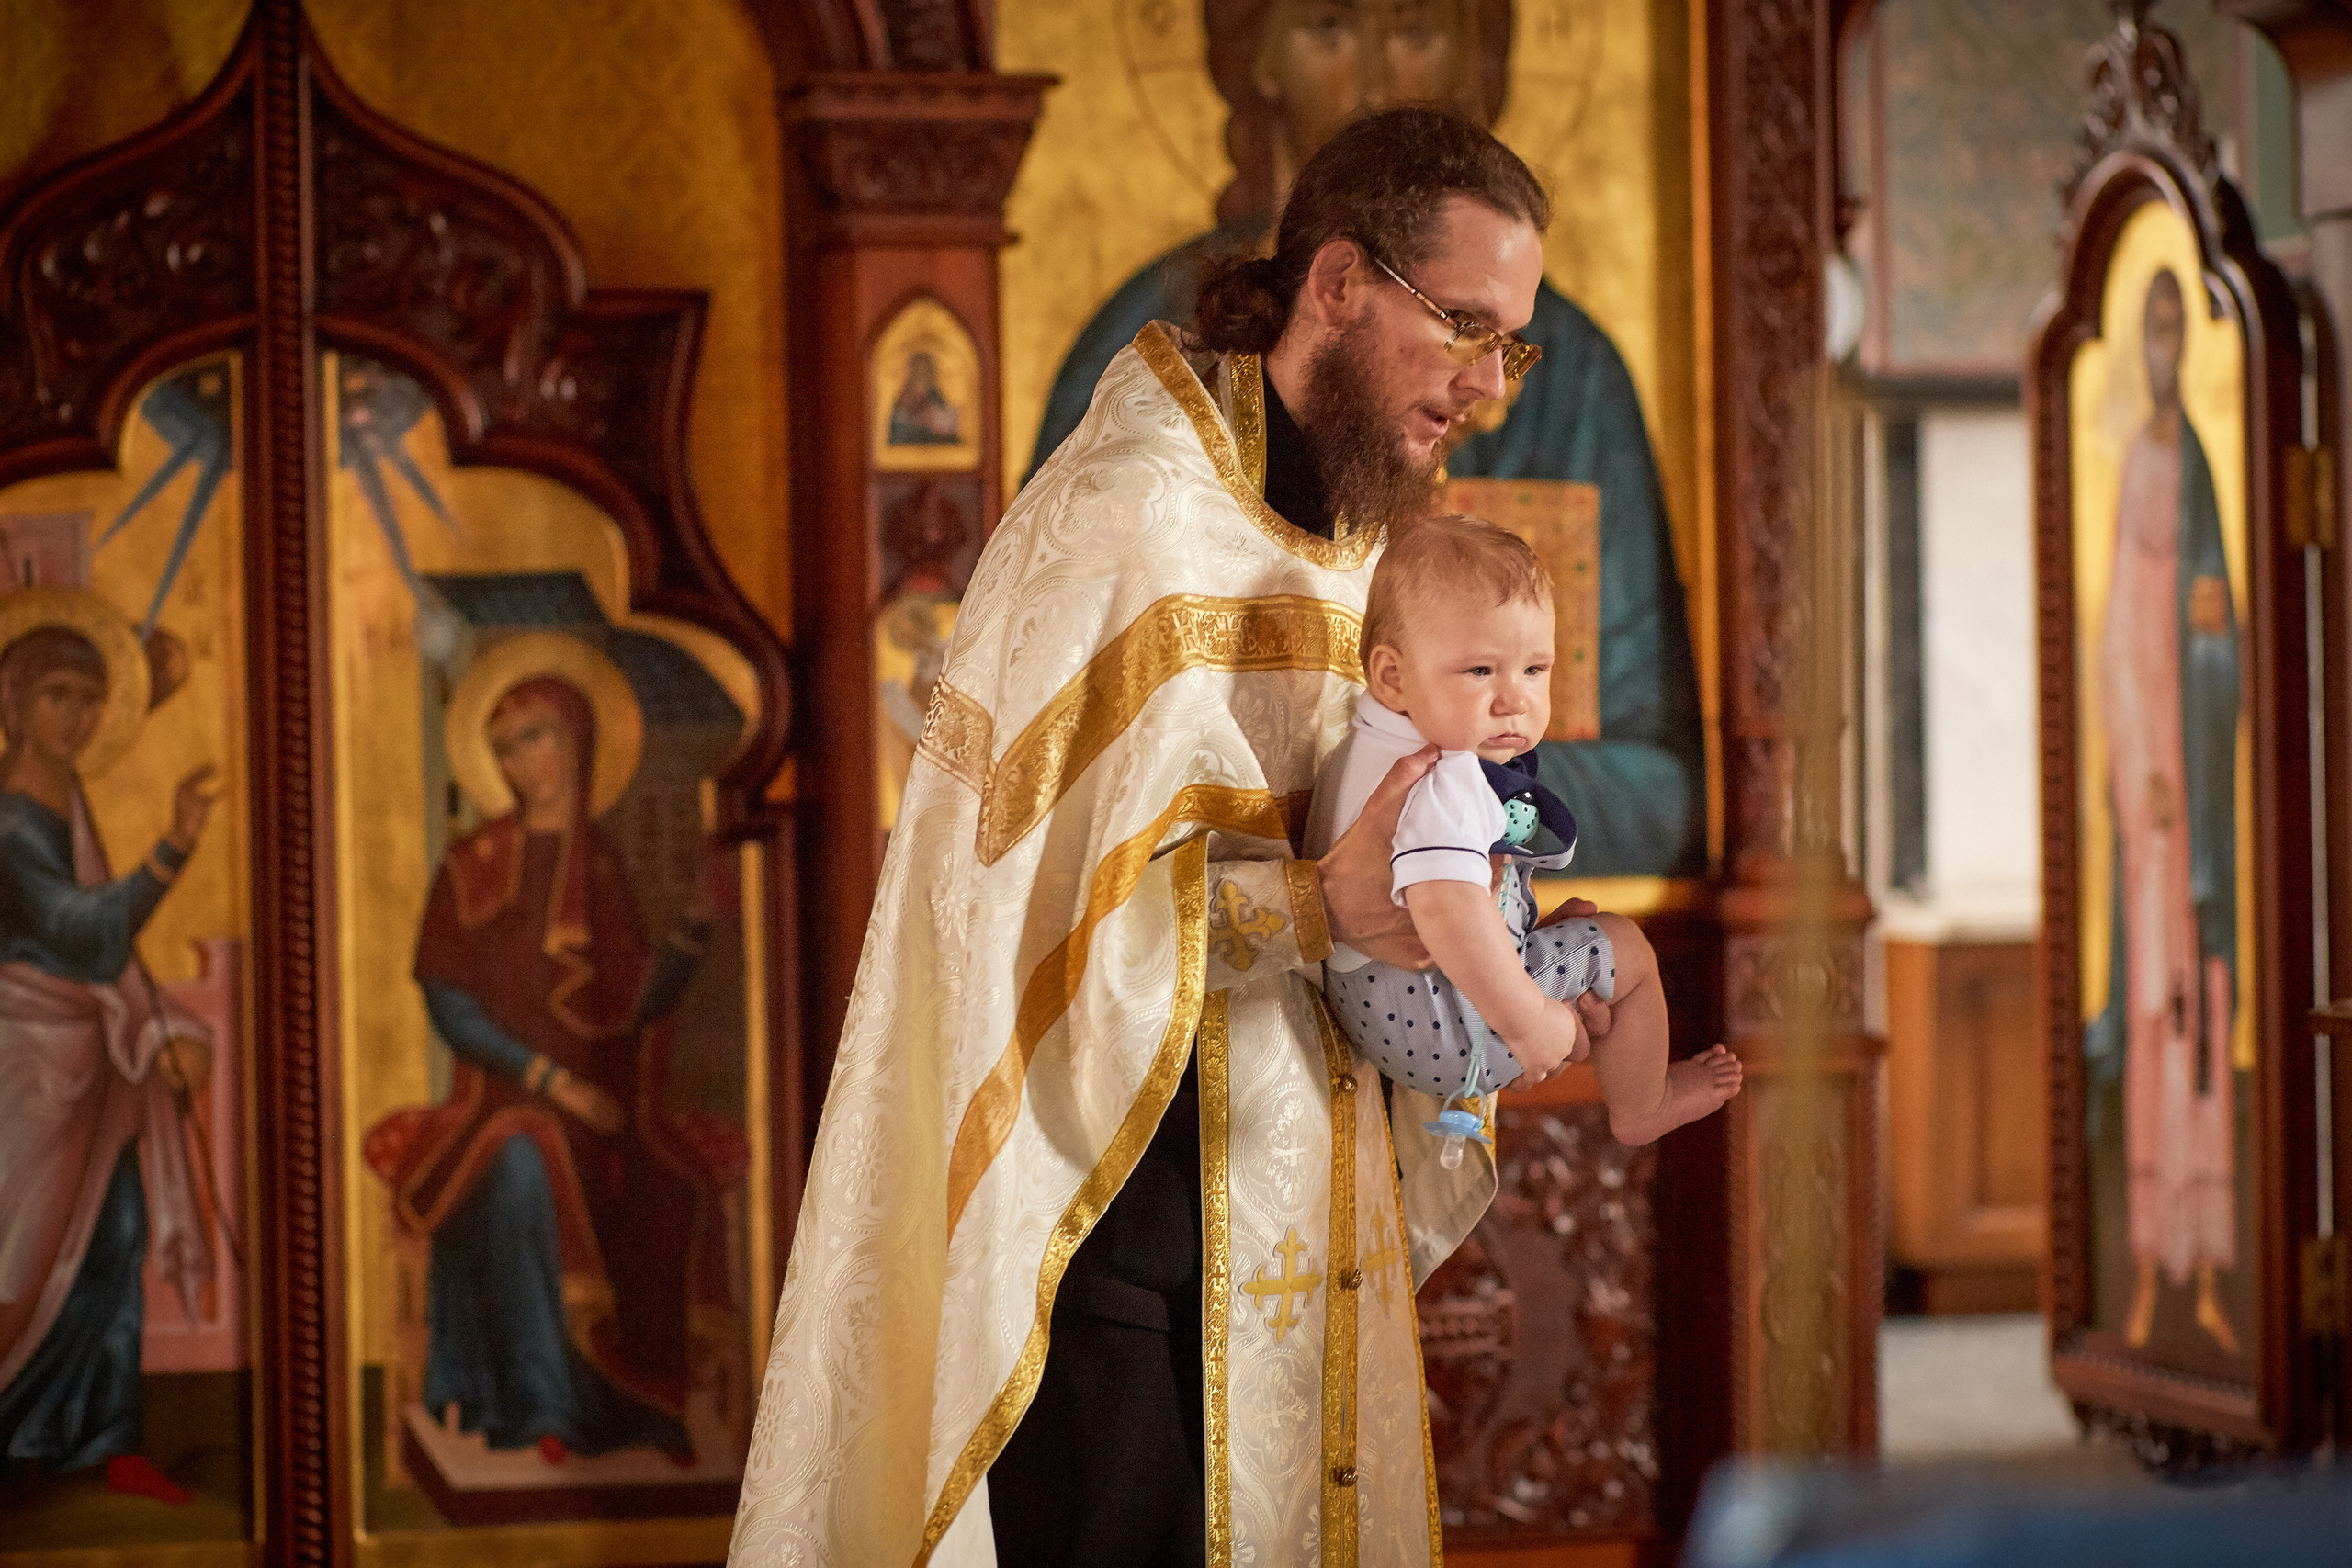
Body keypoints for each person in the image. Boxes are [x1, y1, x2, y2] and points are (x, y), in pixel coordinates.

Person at [731, 107, 1627, 1567]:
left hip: (1306, 1196)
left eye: (1511, 345)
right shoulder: (1125, 520)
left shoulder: (1374, 545)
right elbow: (1010, 919)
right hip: (1107, 1235)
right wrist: (1315, 907)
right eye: (1464, 324)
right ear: (1337, 281)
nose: (1486, 383)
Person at [1031, 0, 1706, 877]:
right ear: (1340, 284)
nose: (1495, 384)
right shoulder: (1144, 480)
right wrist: (1336, 881)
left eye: (1420, 30)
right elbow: (1051, 875)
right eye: (1331, 28)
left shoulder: (1571, 390)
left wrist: (1438, 801)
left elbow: (1665, 795)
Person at [365, 672, 731, 1465]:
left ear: (578, 741)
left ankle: (645, 1398)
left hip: (605, 1098)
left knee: (673, 1190)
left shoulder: (602, 865)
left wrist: (693, 939)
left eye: (538, 737)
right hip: (499, 1100)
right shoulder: (473, 863)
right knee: (528, 1165)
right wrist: (546, 1079)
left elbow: (628, 1001)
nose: (523, 760)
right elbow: (449, 1004)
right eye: (506, 746)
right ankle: (542, 1401)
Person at [1308, 513, 1741, 1144]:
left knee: (1574, 941)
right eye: (1481, 671)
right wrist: (1529, 1020)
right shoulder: (1445, 775)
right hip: (1444, 1023)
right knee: (1626, 949)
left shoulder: (1367, 743)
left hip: (1376, 1008)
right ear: (1392, 674)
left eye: (1534, 670)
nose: (1514, 698)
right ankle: (1644, 1104)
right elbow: (1447, 907)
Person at [0, 615, 217, 1506]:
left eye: (91, 701)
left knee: (116, 1234)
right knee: (18, 1257)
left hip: (95, 1058)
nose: (78, 718)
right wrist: (171, 848)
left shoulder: (65, 798)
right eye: (59, 696)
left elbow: (97, 950)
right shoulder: (12, 819)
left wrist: (156, 1034)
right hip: (26, 1062)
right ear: (13, 701)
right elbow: (81, 931)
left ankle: (101, 1436)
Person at [2087, 269, 2242, 1356]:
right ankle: (2145, 1265)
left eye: (2171, 326)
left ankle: (2211, 1271)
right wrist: (2138, 761)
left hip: (2194, 802)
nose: (2159, 344)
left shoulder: (2192, 468)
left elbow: (2211, 632)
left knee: (2201, 1015)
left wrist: (2184, 756)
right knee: (2150, 1019)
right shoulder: (2140, 459)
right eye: (2146, 327)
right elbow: (2114, 647)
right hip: (2144, 795)